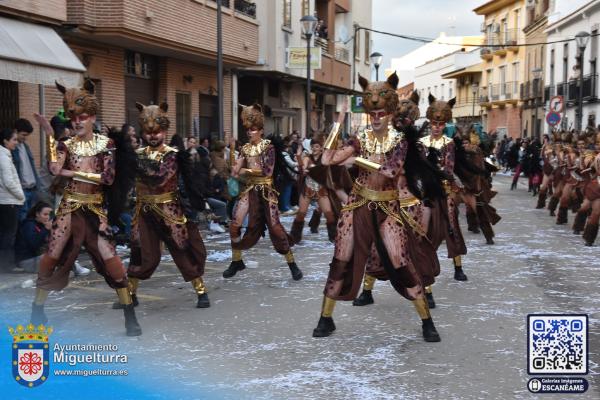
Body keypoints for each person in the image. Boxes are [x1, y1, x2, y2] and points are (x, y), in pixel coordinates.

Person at [311, 73, 442, 342]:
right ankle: (326, 318)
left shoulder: (400, 140)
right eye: (373, 113)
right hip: (357, 204)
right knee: (341, 258)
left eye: (381, 112)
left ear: (391, 111)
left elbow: (390, 170)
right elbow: (326, 158)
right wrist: (339, 122)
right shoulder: (360, 137)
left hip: (388, 208)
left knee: (399, 260)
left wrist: (357, 159)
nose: (376, 118)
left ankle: (426, 320)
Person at [31, 79, 142, 336]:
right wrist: (49, 136)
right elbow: (54, 169)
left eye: (82, 116)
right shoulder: (65, 144)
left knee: (110, 257)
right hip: (70, 208)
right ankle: (37, 310)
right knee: (52, 255)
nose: (77, 121)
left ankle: (129, 315)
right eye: (73, 117)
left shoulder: (106, 145)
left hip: (95, 209)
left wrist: (71, 171)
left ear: (92, 116)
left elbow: (107, 178)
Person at [115, 101, 210, 309]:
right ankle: (130, 292)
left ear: (164, 131)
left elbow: (158, 178)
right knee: (139, 252)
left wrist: (131, 160)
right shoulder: (137, 154)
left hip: (169, 211)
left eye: (157, 132)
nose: (152, 136)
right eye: (148, 133)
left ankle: (201, 292)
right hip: (142, 210)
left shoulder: (172, 155)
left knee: (181, 250)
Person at [223, 104, 303, 281]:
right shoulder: (244, 148)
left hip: (267, 191)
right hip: (250, 190)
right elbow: (234, 171)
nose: (249, 132)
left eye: (252, 129)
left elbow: (267, 171)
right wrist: (230, 150)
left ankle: (292, 264)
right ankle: (237, 261)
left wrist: (245, 171)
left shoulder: (269, 147)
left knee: (275, 228)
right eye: (247, 129)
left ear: (260, 129)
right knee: (234, 224)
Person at [0, 128, 25, 272]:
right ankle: (6, 266)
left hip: (7, 200)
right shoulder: (3, 157)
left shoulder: (5, 155)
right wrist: (20, 195)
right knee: (9, 235)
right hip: (9, 201)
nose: (16, 142)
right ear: (5, 141)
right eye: (14, 139)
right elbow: (9, 182)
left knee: (5, 233)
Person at [12, 118, 39, 221]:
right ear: (15, 131)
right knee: (21, 219)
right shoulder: (11, 150)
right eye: (23, 135)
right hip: (22, 191)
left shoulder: (25, 146)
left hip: (32, 189)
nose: (25, 138)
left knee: (31, 219)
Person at [14, 201, 53, 273]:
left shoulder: (41, 225)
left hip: (35, 259)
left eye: (49, 215)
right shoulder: (29, 225)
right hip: (26, 262)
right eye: (45, 214)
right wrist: (46, 229)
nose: (48, 217)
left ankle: (76, 269)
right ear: (37, 214)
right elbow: (34, 244)